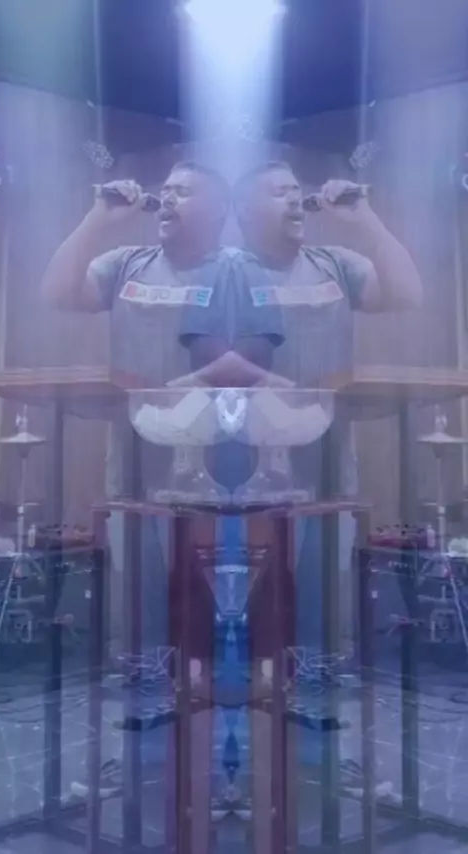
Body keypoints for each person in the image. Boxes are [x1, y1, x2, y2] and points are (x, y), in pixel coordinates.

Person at [41, 161, 287, 811]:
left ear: (217, 207)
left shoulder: (238, 272)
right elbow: (58, 293)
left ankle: (249, 761)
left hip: (225, 458)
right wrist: (99, 216)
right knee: (141, 610)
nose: (166, 197)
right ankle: (138, 757)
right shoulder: (127, 262)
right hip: (136, 460)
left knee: (226, 615)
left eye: (182, 190)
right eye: (166, 188)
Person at [232, 160, 423, 801]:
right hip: (236, 464)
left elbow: (406, 294)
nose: (295, 199)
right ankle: (238, 760)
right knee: (237, 616)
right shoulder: (226, 271)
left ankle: (325, 757)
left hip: (325, 465)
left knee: (319, 612)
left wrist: (362, 217)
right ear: (245, 206)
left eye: (298, 190)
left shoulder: (334, 264)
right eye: (279, 191)